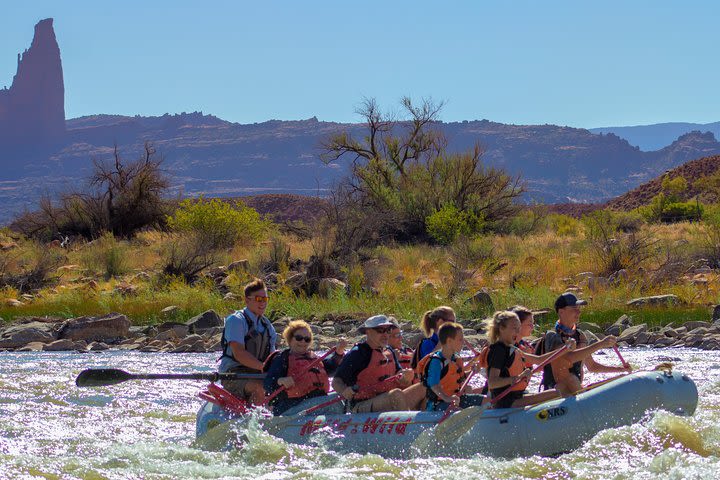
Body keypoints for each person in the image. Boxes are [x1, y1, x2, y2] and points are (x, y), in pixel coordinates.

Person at [537, 292, 632, 396]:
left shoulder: (580, 335)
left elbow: (592, 366)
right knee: (571, 379)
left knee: (618, 379)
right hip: (557, 392)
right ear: (561, 312)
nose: (578, 312)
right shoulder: (552, 336)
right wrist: (600, 344)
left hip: (576, 390)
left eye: (579, 309)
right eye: (574, 309)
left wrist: (620, 370)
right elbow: (569, 357)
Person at [332, 315, 423, 413]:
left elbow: (402, 380)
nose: (385, 335)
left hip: (388, 399)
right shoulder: (357, 353)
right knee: (396, 395)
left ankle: (430, 420)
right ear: (368, 332)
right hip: (361, 405)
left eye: (388, 331)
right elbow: (335, 382)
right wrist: (344, 391)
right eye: (380, 330)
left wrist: (406, 378)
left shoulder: (389, 351)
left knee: (424, 386)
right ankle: (410, 424)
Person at [486, 311, 576, 409]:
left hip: (517, 396)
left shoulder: (512, 349)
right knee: (554, 395)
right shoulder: (498, 351)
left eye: (518, 328)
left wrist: (565, 349)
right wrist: (517, 378)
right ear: (502, 329)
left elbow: (539, 360)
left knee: (556, 392)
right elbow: (492, 382)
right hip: (505, 402)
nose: (517, 331)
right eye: (514, 328)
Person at [263, 320, 347, 415]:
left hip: (312, 404)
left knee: (343, 397)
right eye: (299, 338)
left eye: (307, 339)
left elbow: (332, 368)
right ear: (290, 339)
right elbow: (267, 384)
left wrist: (339, 352)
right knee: (334, 402)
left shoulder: (313, 358)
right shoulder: (282, 359)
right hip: (290, 408)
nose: (303, 342)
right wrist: (281, 380)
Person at [218, 278, 277, 404]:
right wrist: (264, 367)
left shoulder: (268, 326)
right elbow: (239, 353)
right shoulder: (236, 320)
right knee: (258, 388)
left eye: (265, 299)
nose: (263, 303)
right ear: (247, 300)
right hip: (232, 374)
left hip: (258, 374)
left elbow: (273, 356)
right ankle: (257, 421)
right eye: (258, 299)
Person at [421, 322, 486, 411]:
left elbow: (459, 378)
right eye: (460, 339)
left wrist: (472, 371)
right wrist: (447, 398)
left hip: (457, 399)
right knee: (457, 410)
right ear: (449, 341)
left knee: (489, 400)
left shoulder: (455, 359)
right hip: (438, 405)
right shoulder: (436, 362)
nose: (463, 342)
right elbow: (434, 385)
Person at [410, 306, 456, 372]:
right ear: (440, 322)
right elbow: (429, 366)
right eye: (452, 322)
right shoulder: (427, 344)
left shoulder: (449, 345)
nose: (455, 326)